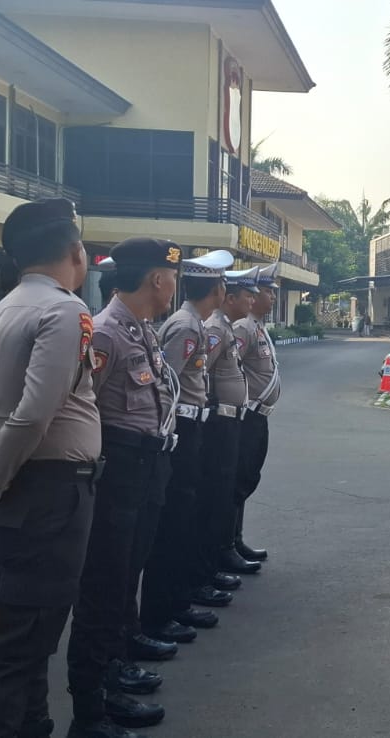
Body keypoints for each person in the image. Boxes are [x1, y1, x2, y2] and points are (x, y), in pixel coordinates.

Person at [0, 198, 100, 738]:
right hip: (51, 491)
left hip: (18, 487)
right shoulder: (64, 311)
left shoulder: (0, 312)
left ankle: (34, 725)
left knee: (30, 632)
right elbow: (34, 412)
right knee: (21, 640)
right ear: (75, 251)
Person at [66, 238, 183, 735]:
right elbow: (80, 407)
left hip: (147, 466)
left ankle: (114, 671)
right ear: (156, 279)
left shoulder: (142, 329)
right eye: (172, 277)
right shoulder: (107, 333)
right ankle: (91, 706)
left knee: (124, 579)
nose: (174, 286)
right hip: (117, 473)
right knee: (103, 588)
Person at [139, 250, 235, 646]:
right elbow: (167, 385)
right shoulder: (185, 326)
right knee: (174, 524)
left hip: (192, 427)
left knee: (185, 520)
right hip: (180, 430)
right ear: (216, 288)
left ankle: (177, 602)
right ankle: (162, 611)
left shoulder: (193, 322)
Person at [195, 270, 257, 600]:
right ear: (228, 297)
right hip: (217, 424)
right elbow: (198, 373)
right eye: (247, 295)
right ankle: (205, 572)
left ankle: (213, 565)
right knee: (212, 500)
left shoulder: (227, 327)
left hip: (230, 422)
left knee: (223, 497)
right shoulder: (216, 329)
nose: (252, 300)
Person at [232, 264, 281, 564]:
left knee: (248, 477)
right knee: (238, 481)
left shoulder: (258, 326)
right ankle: (227, 544)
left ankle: (235, 539)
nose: (272, 297)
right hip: (246, 415)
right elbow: (227, 368)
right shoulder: (244, 327)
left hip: (259, 415)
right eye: (267, 292)